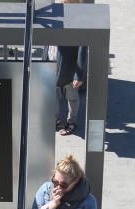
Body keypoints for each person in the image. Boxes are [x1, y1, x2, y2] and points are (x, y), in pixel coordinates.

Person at [54, 0, 87, 136]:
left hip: (68, 69)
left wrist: (78, 75)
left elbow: (82, 50)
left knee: (72, 99)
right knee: (53, 98)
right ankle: (56, 121)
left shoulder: (79, 23)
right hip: (53, 66)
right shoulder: (55, 17)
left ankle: (71, 121)